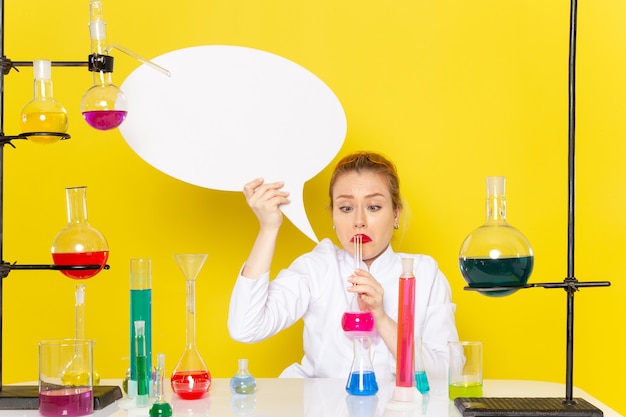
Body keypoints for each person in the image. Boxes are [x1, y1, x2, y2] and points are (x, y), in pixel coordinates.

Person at [228, 151, 458, 391]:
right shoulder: (318, 267)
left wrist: (380, 317)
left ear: (396, 214)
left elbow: (447, 373)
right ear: (334, 216)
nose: (359, 221)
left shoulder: (423, 273)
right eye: (346, 208)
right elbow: (245, 328)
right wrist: (268, 227)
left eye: (374, 206)